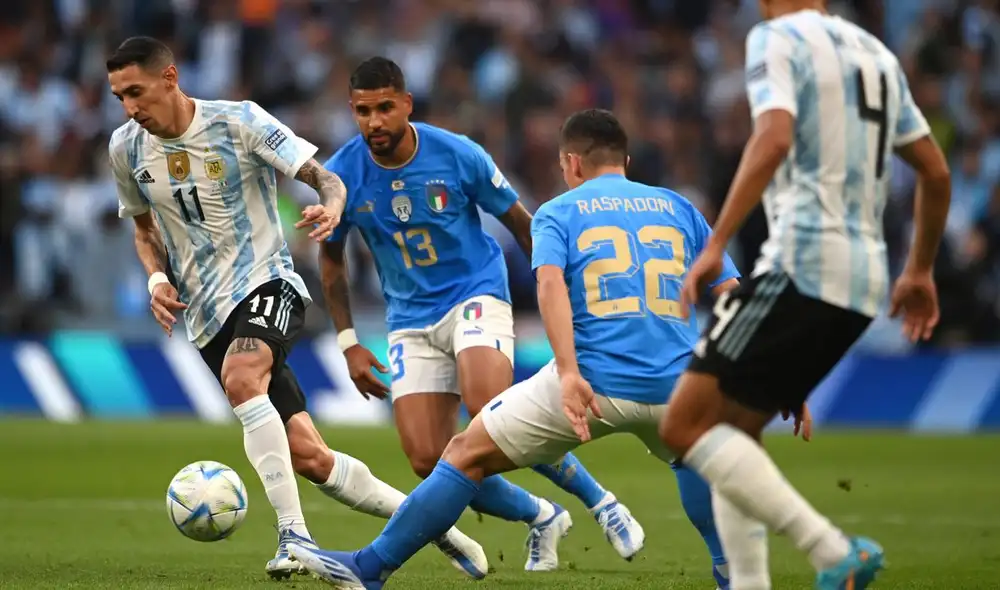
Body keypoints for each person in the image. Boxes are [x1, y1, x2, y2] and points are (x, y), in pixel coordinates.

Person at [285, 108, 782, 589]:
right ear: (625, 162)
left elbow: (549, 289)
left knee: (462, 455)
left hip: (594, 382)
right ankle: (727, 572)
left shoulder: (558, 212)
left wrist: (566, 371)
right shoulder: (678, 207)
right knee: (685, 461)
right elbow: (733, 298)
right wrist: (775, 373)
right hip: (676, 387)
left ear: (570, 163)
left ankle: (369, 568)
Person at [105, 37, 487, 581]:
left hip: (270, 283)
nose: (129, 107)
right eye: (119, 96)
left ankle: (293, 537)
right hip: (207, 314)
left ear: (169, 78)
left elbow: (324, 177)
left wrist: (332, 207)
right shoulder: (125, 148)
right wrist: (157, 278)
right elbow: (142, 227)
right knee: (309, 456)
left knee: (243, 378)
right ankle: (435, 527)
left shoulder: (238, 122)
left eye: (136, 92)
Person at [656, 2, 951, 589]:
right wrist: (918, 270)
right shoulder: (877, 53)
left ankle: (831, 549)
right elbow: (936, 172)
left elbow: (773, 137)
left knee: (683, 426)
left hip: (803, 263)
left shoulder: (776, 37)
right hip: (865, 279)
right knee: (733, 435)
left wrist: (715, 243)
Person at [319, 57, 642, 570]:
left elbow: (521, 223)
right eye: (363, 111)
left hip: (475, 294)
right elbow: (332, 259)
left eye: (385, 108)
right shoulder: (340, 175)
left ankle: (601, 501)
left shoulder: (458, 155)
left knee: (489, 409)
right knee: (429, 460)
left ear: (406, 104)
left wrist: (563, 295)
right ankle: (542, 513)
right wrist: (348, 341)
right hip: (408, 317)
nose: (375, 122)